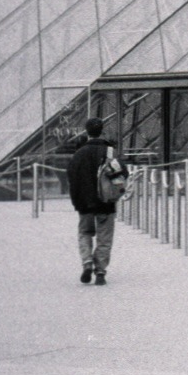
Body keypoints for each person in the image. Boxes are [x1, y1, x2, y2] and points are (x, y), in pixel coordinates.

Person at [67, 118, 126, 286]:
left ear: (87, 132)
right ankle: (100, 271)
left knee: (85, 232)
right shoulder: (110, 152)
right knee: (104, 237)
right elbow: (123, 174)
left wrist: (76, 201)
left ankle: (86, 263)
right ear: (102, 131)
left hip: (85, 202)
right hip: (106, 201)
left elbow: (71, 178)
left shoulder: (78, 154)